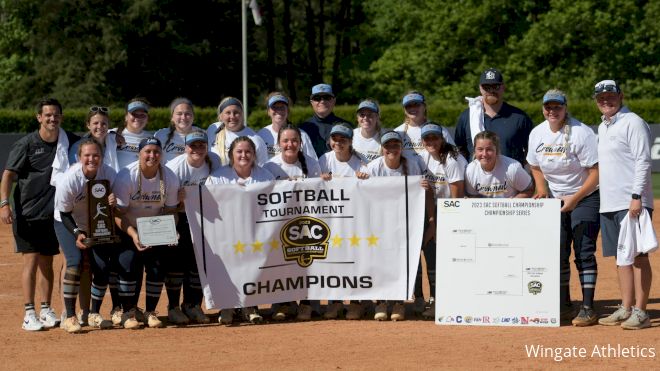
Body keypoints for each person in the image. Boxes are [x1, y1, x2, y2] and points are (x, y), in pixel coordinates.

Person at [1, 98, 78, 331]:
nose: (52, 119)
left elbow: (95, 140)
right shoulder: (26, 144)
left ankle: (45, 309)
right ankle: (28, 313)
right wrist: (4, 203)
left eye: (56, 115)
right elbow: (7, 176)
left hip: (52, 215)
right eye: (47, 115)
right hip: (27, 213)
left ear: (61, 117)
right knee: (31, 262)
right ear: (39, 118)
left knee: (47, 263)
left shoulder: (69, 141)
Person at [527, 89, 600, 326]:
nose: (552, 111)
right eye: (548, 107)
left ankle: (587, 308)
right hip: (556, 198)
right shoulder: (537, 133)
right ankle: (564, 305)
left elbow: (596, 173)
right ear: (542, 109)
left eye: (557, 107)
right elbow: (534, 165)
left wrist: (575, 198)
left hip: (586, 195)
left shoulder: (581, 132)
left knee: (583, 249)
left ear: (565, 108)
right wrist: (541, 188)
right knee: (557, 251)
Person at [594, 80, 654, 330]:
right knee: (621, 259)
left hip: (631, 202)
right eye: (601, 97)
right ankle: (626, 307)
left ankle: (641, 312)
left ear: (621, 96)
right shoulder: (603, 126)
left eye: (610, 96)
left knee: (638, 257)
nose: (606, 100)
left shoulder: (633, 122)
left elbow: (643, 160)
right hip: (609, 203)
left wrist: (636, 196)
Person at [113, 137, 180, 329]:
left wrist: (171, 231)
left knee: (157, 267)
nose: (152, 155)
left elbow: (170, 211)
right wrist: (134, 235)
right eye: (147, 152)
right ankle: (129, 312)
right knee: (129, 265)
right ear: (139, 154)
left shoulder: (169, 176)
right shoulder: (126, 176)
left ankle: (151, 312)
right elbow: (117, 214)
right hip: (129, 227)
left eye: (156, 152)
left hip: (155, 229)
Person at [207, 136, 274, 324]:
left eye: (248, 151)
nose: (243, 155)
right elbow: (207, 203)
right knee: (228, 270)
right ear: (231, 155)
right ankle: (227, 307)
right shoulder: (218, 176)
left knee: (252, 268)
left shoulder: (265, 176)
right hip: (226, 232)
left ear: (254, 154)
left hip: (255, 232)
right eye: (239, 151)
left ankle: (251, 307)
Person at [54, 138, 117, 332]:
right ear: (79, 157)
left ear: (102, 157)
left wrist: (113, 201)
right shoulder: (70, 178)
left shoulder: (109, 173)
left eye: (96, 155)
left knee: (102, 265)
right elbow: (64, 213)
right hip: (67, 222)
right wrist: (76, 233)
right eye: (87, 155)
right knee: (74, 263)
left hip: (95, 223)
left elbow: (117, 204)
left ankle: (93, 314)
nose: (92, 159)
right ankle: (70, 316)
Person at [263, 125, 321, 321]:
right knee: (281, 264)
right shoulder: (270, 166)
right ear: (278, 144)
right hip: (278, 223)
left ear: (300, 143)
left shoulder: (312, 164)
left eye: (294, 140)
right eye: (286, 141)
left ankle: (305, 304)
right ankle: (283, 303)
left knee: (305, 262)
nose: (290, 144)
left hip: (306, 222)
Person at [367, 131, 423, 321]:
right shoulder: (374, 167)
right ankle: (381, 302)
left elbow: (418, 193)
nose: (392, 149)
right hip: (379, 222)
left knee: (403, 262)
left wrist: (422, 186)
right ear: (382, 148)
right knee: (380, 262)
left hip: (405, 222)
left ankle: (399, 302)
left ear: (401, 147)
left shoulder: (412, 165)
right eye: (387, 145)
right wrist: (359, 180)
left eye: (395, 145)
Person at [164, 131, 218, 325]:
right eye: (193, 145)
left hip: (203, 220)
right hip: (177, 218)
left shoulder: (214, 163)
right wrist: (177, 203)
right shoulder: (174, 167)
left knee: (198, 264)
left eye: (201, 145)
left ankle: (193, 305)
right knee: (177, 264)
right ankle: (173, 307)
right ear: (186, 147)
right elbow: (166, 203)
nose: (197, 149)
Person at [318, 123, 369, 320]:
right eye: (335, 139)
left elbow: (372, 188)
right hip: (331, 220)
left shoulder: (361, 162)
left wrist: (365, 178)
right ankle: (335, 302)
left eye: (343, 139)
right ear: (330, 141)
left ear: (350, 142)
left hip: (355, 221)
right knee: (333, 262)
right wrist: (321, 179)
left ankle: (356, 303)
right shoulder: (324, 160)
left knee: (355, 261)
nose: (338, 142)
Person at [418, 124, 468, 319]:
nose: (431, 142)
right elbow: (429, 193)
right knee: (431, 257)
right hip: (435, 210)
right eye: (427, 139)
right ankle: (435, 300)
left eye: (435, 138)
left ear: (442, 139)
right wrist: (432, 223)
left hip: (453, 210)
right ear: (422, 141)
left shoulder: (452, 159)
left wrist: (443, 226)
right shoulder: (423, 158)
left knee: (453, 259)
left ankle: (451, 300)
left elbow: (457, 198)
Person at [454, 68, 533, 164]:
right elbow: (459, 150)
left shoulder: (519, 118)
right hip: (476, 177)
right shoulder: (467, 117)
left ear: (503, 87)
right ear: (480, 88)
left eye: (496, 86)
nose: (491, 90)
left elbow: (531, 150)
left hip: (511, 177)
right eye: (486, 87)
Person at [465, 131, 533, 198]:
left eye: (489, 149)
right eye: (480, 149)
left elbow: (529, 189)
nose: (484, 154)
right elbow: (472, 196)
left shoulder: (513, 168)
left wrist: (514, 202)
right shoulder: (470, 171)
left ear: (497, 150)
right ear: (474, 151)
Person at [206, 97, 268, 166]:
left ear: (242, 115)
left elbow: (262, 169)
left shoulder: (256, 141)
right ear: (220, 116)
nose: (232, 116)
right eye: (228, 113)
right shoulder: (213, 129)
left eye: (236, 112)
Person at [256, 92, 317, 160]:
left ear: (288, 111)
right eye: (274, 107)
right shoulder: (261, 135)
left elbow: (313, 163)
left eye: (282, 107)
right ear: (268, 112)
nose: (279, 110)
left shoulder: (302, 135)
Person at [394, 91, 454, 158]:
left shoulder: (439, 130)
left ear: (424, 107)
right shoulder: (397, 132)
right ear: (404, 110)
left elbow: (453, 154)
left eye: (416, 104)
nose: (413, 108)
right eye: (408, 106)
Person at [299, 83, 352, 158]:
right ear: (312, 102)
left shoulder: (346, 126)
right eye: (317, 98)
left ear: (334, 101)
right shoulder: (303, 128)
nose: (322, 101)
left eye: (327, 97)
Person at [155, 98, 203, 164]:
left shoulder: (202, 134)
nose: (183, 117)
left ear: (193, 117)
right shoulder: (161, 135)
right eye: (179, 114)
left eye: (187, 114)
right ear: (172, 117)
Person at [115, 98, 153, 169]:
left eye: (142, 115)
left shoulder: (153, 139)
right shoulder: (112, 134)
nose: (138, 118)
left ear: (147, 119)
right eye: (134, 114)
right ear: (126, 117)